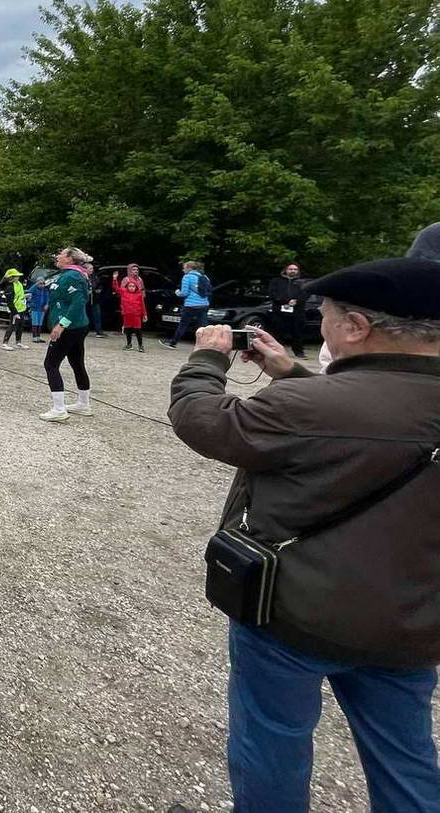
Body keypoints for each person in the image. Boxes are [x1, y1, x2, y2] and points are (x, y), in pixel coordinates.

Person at [169, 258, 440, 812]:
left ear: (356, 326)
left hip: (295, 615)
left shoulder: (311, 406)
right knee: (405, 757)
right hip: (412, 623)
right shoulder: (328, 400)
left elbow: (204, 420)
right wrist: (290, 372)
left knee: (272, 743)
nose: (322, 325)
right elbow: (376, 419)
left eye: (328, 315)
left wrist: (206, 359)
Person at [39, 248, 94, 422]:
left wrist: (61, 325)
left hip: (70, 327)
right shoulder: (67, 274)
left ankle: (59, 409)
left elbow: (78, 303)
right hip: (76, 326)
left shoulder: (73, 276)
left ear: (70, 259)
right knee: (77, 363)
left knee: (50, 364)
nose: (57, 256)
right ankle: (83, 404)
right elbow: (63, 297)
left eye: (61, 254)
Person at [163, 260, 211, 348]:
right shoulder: (204, 276)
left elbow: (184, 293)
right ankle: (209, 344)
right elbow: (208, 290)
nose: (183, 270)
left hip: (190, 305)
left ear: (189, 268)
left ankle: (173, 343)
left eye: (184, 268)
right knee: (203, 325)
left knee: (183, 325)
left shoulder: (187, 277)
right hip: (204, 304)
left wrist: (177, 292)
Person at [267, 263, 307, 358]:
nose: (293, 271)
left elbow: (306, 293)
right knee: (278, 331)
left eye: (295, 269)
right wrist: (284, 301)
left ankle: (299, 352)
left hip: (297, 311)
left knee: (297, 332)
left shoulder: (302, 282)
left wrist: (297, 301)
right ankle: (277, 351)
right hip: (279, 310)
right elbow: (272, 293)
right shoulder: (276, 281)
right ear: (286, 270)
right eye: (291, 269)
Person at [112, 265, 149, 351]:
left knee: (138, 330)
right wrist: (114, 279)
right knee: (128, 330)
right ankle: (129, 344)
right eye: (130, 286)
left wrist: (144, 314)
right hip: (127, 314)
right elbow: (116, 288)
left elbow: (143, 305)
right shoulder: (124, 288)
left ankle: (140, 346)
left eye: (133, 286)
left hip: (136, 314)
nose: (131, 288)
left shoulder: (139, 293)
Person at [0, 269, 28, 350]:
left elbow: (20, 295)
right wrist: (15, 313)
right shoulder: (9, 287)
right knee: (12, 326)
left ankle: (18, 342)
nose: (18, 277)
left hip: (21, 308)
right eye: (16, 276)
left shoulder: (19, 284)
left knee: (20, 326)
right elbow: (10, 302)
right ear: (11, 277)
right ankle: (4, 343)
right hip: (14, 310)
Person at [27, 277, 50, 343]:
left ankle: (38, 337)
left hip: (42, 309)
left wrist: (47, 304)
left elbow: (47, 298)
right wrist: (36, 284)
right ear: (37, 283)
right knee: (35, 323)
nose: (42, 285)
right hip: (34, 308)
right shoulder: (34, 289)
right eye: (40, 283)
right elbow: (29, 291)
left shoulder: (45, 290)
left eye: (43, 283)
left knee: (40, 324)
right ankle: (34, 338)